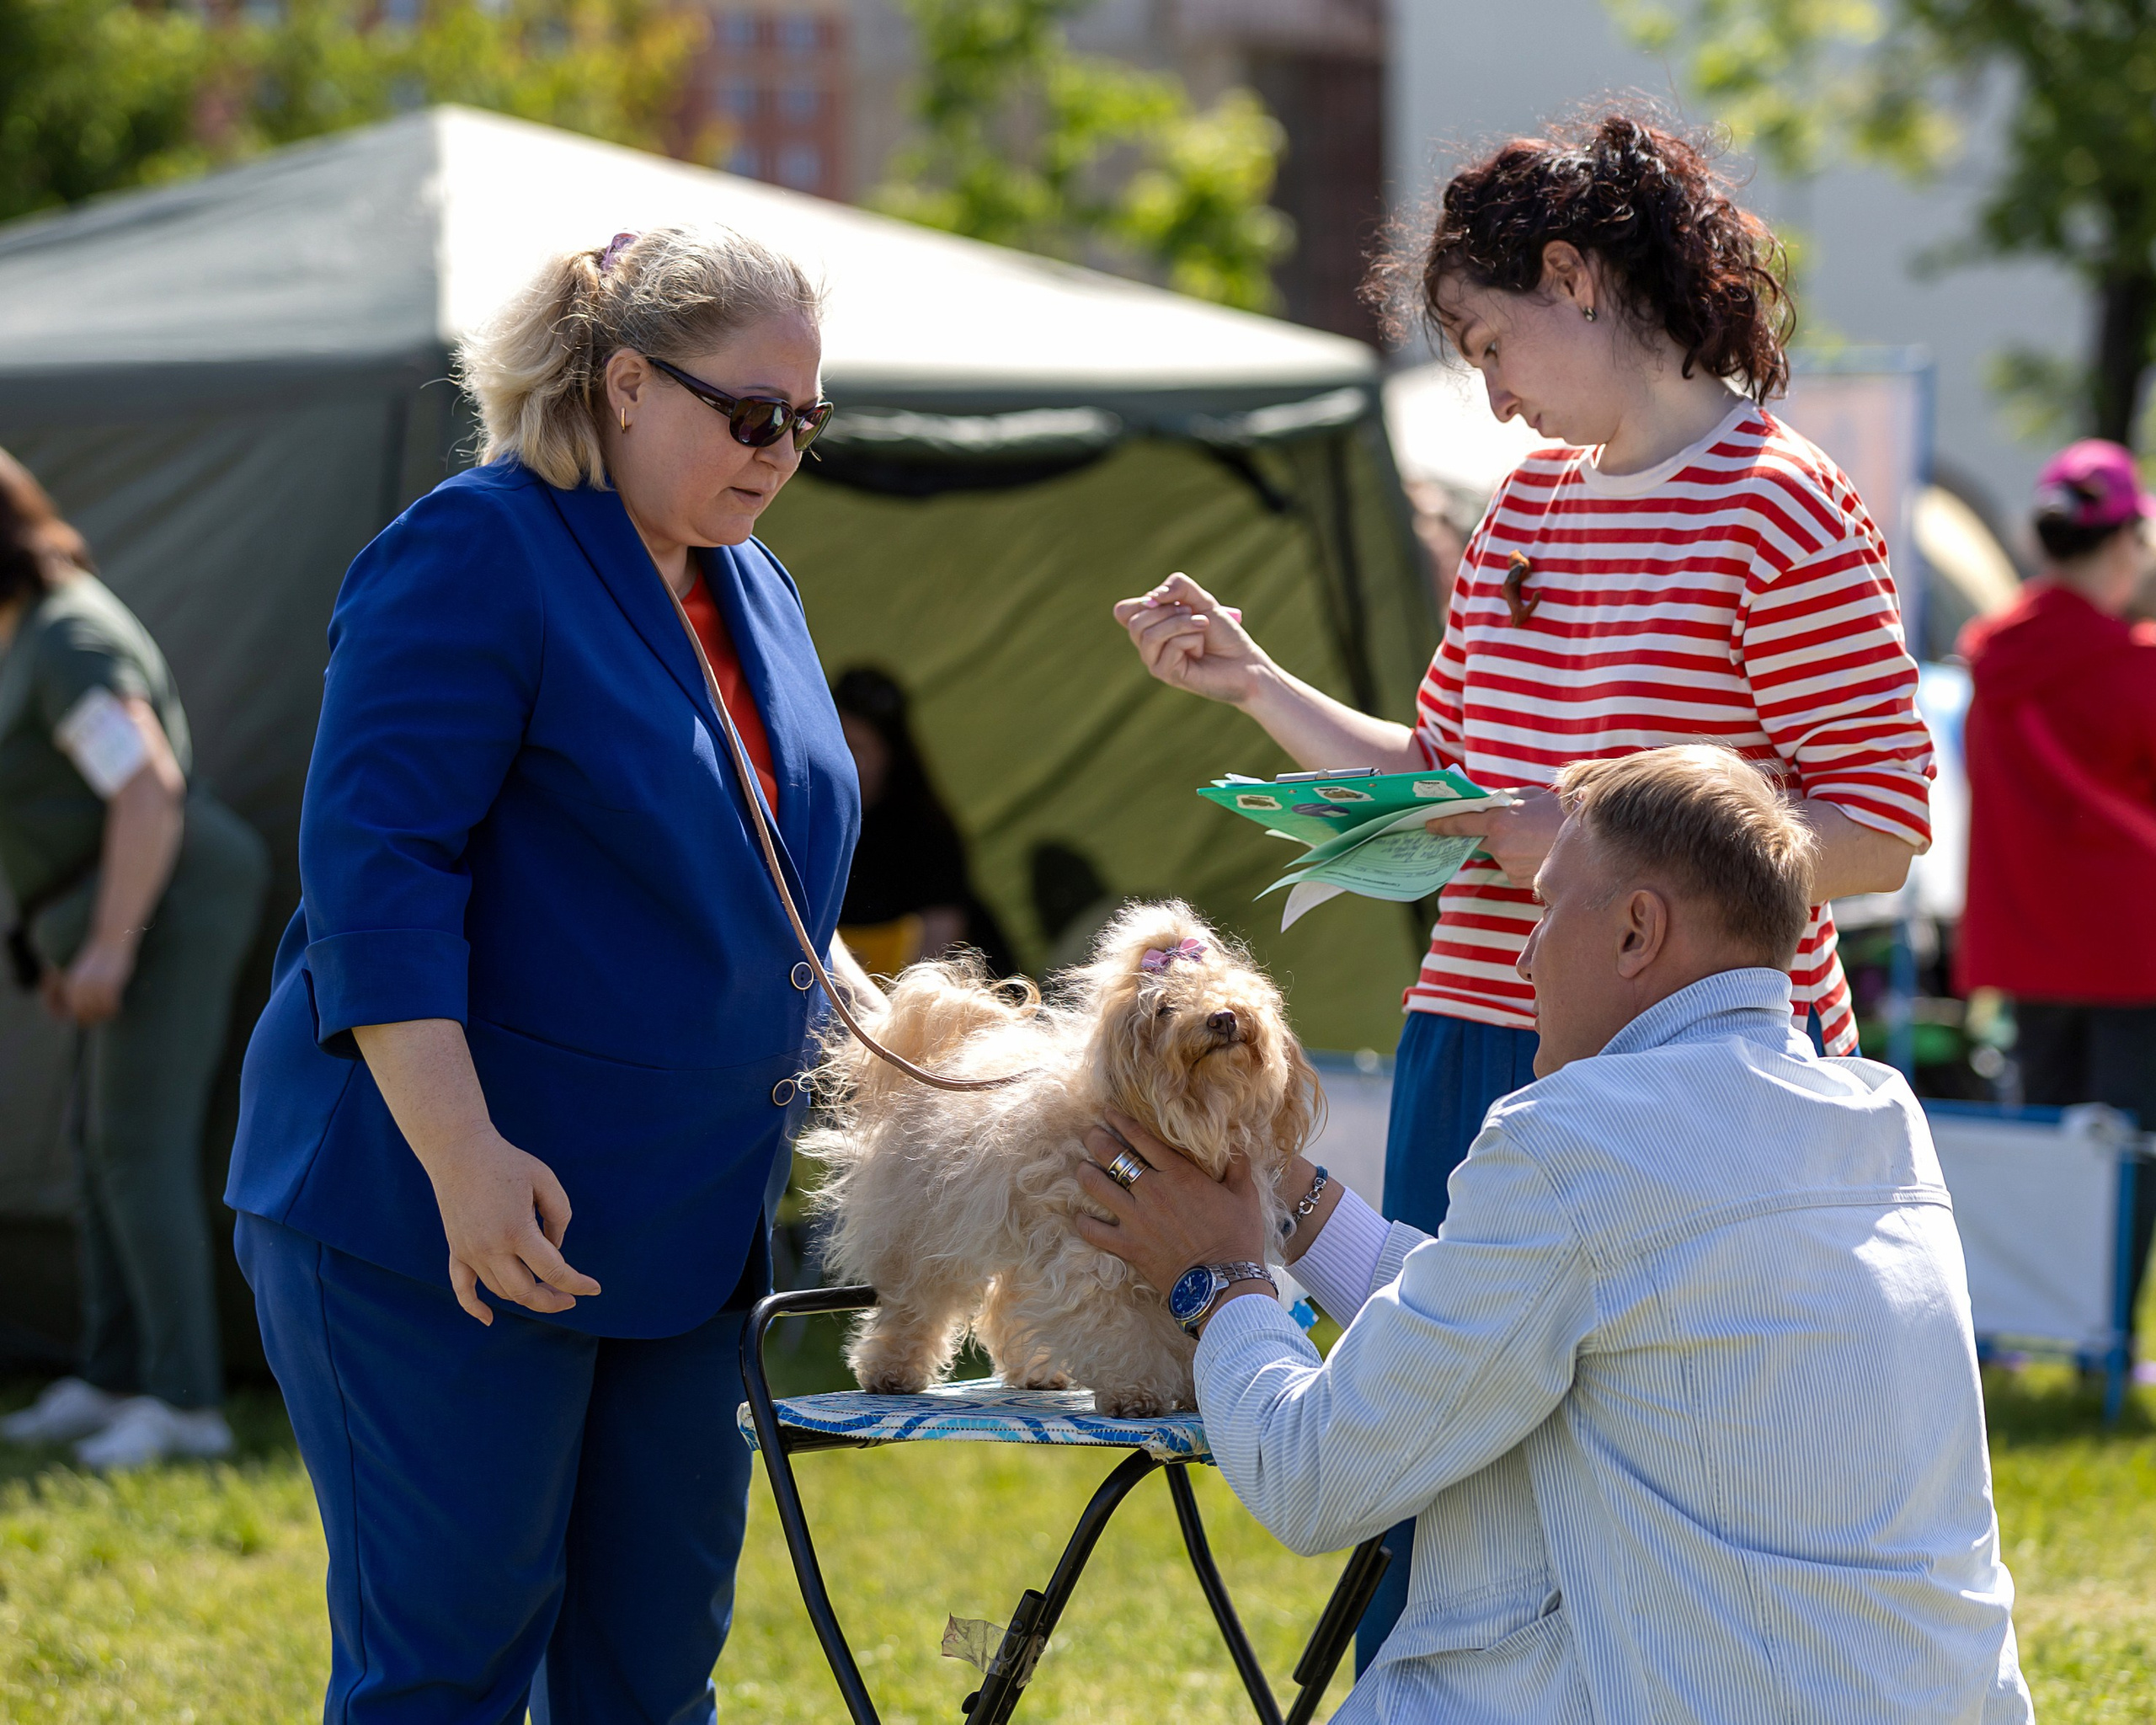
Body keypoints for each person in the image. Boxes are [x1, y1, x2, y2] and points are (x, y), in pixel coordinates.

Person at [1113, 112, 1933, 1658]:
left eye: (1489, 343)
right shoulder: (1533, 511)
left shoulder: (1787, 502)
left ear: (1575, 276)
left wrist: (1602, 854)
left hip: (1694, 1074)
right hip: (1477, 1037)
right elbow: (1443, 772)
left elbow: (1878, 831)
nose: (1487, 398)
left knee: (1643, 1473)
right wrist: (1254, 684)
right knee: (1423, 1456)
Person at [223, 227, 869, 1724]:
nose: (782, 450)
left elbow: (775, 881)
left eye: (809, 419)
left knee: (653, 1674)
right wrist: (462, 1154)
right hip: (431, 1209)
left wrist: (917, 1041)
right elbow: (377, 881)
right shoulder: (474, 545)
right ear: (629, 382)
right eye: (752, 414)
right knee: (446, 1671)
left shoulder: (750, 579)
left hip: (681, 1224)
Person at [1076, 745, 2031, 1722]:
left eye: (1545, 905)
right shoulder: (1877, 1112)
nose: (1524, 954)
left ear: (1634, 929)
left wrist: (1218, 1276)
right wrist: (1289, 1194)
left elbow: (1310, 1476)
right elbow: (1499, 1316)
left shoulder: (1576, 1134)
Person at [0, 450, 267, 1470]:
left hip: (168, 904)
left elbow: (147, 791)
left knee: (135, 1148)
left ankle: (184, 1401)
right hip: (116, 909)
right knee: (93, 1143)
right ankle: (111, 1374)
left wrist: (110, 945)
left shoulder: (67, 633)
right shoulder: (32, 629)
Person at [1957, 439, 2156, 1333]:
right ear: (2126, 545)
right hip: (2131, 949)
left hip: (2023, 942)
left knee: (2037, 1146)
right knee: (2125, 1154)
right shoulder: (2135, 669)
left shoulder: (1987, 660)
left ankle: (2017, 1324)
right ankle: (2104, 1338)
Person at [832, 663, 1017, 976]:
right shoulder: (815, 830)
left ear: (890, 754)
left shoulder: (925, 833)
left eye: (858, 750)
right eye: (837, 749)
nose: (846, 765)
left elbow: (933, 959)